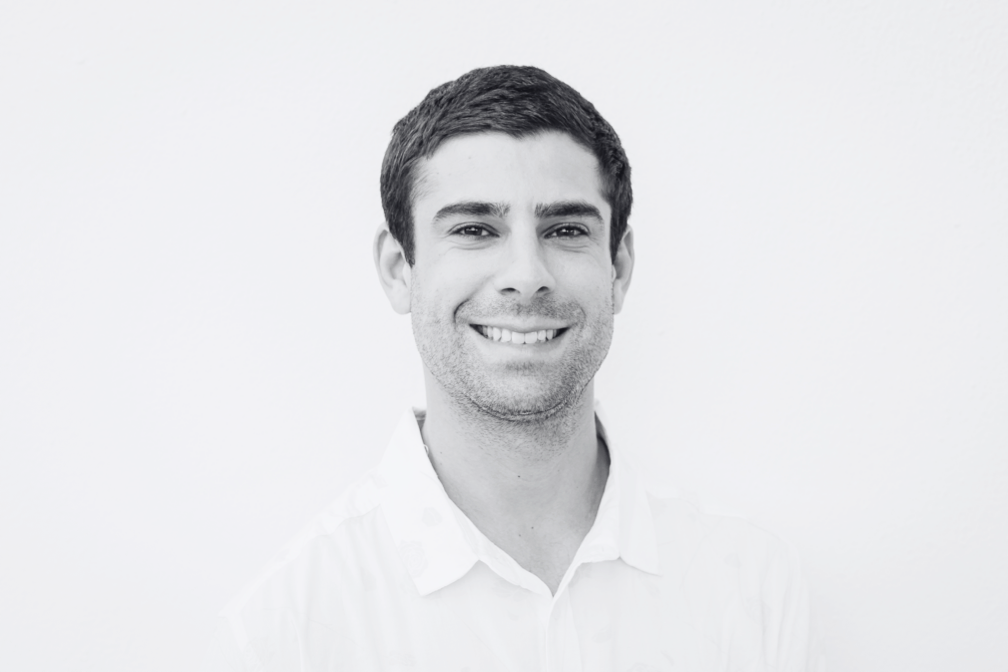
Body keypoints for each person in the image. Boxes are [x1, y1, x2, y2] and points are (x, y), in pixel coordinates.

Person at [205, 65, 823, 671]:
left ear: (620, 268)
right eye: (475, 229)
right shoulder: (288, 631)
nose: (527, 276)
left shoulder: (751, 587)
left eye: (565, 229)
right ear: (399, 270)